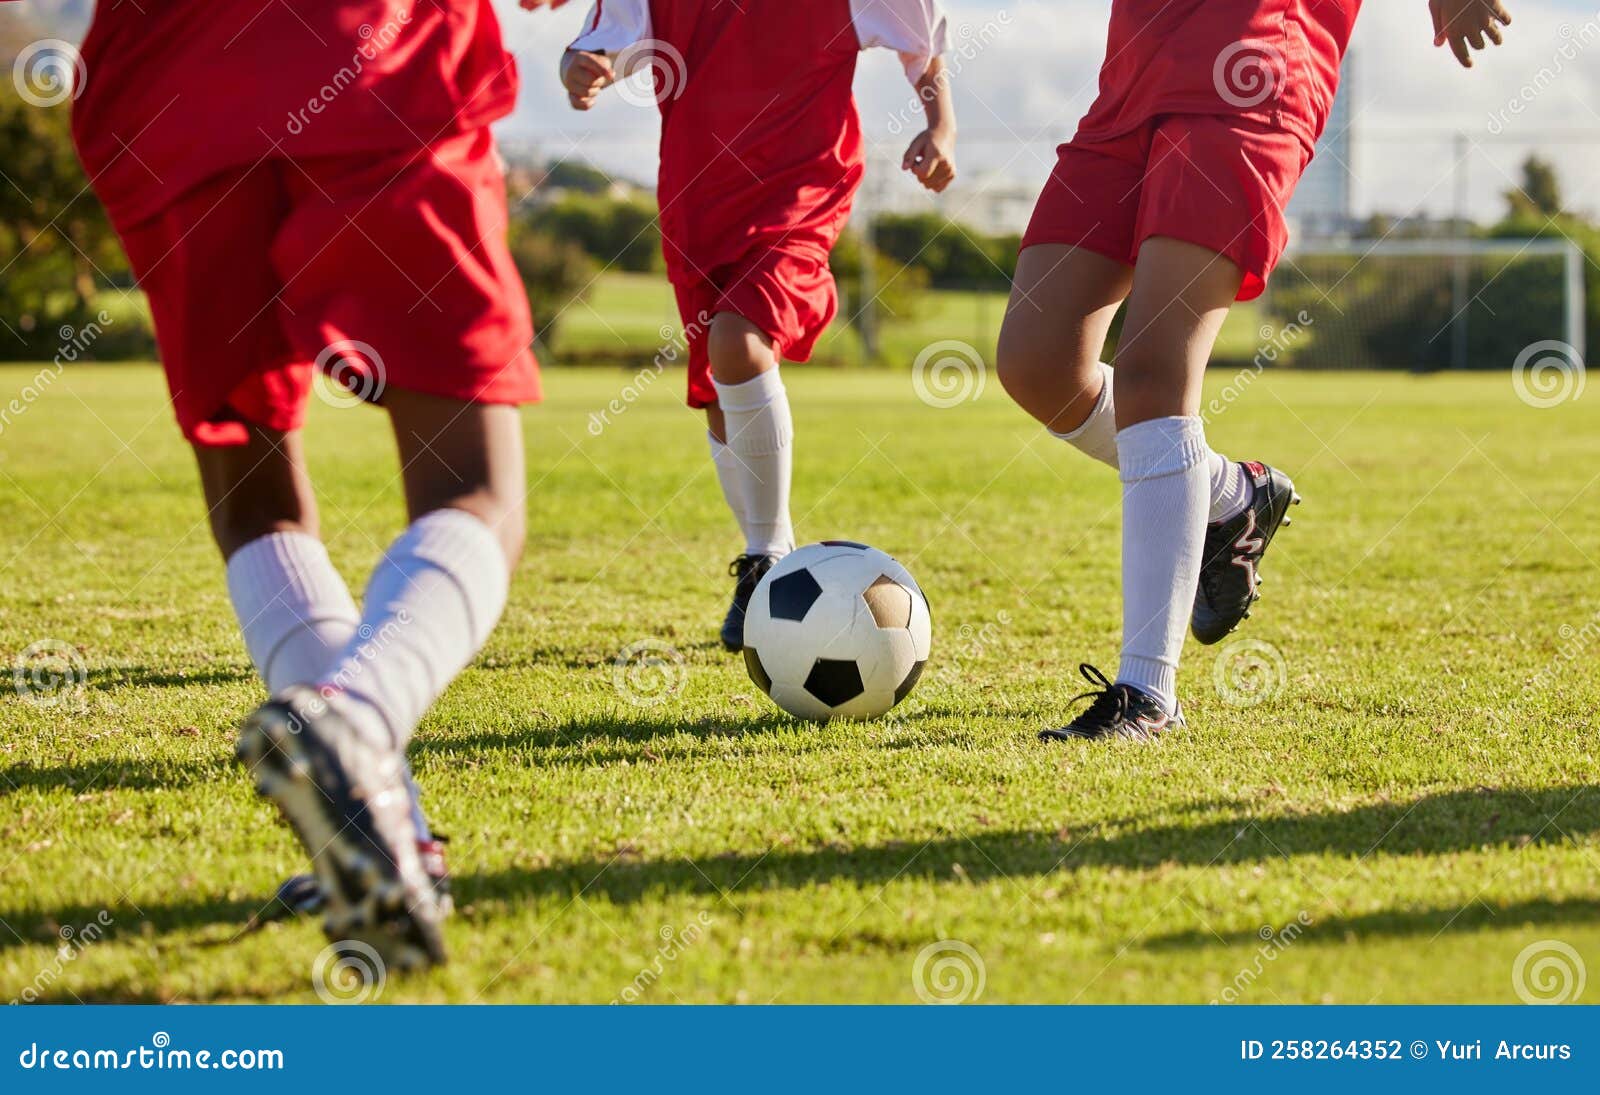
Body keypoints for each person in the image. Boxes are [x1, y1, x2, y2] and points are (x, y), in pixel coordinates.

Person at [70, 0, 572, 969]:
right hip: (367, 43)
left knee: (247, 467)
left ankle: (390, 834)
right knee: (474, 482)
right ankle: (358, 715)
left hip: (159, 78)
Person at [994, 0, 1511, 741]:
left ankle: (1147, 693)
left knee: (1152, 371)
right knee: (1037, 361)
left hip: (1250, 66)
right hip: (1136, 73)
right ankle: (1230, 495)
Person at [561, 0, 957, 650]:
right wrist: (582, 67)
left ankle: (770, 560)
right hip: (697, 203)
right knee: (720, 393)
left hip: (801, 192)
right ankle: (760, 555)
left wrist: (942, 126)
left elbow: (923, 45)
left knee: (738, 344)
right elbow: (601, 44)